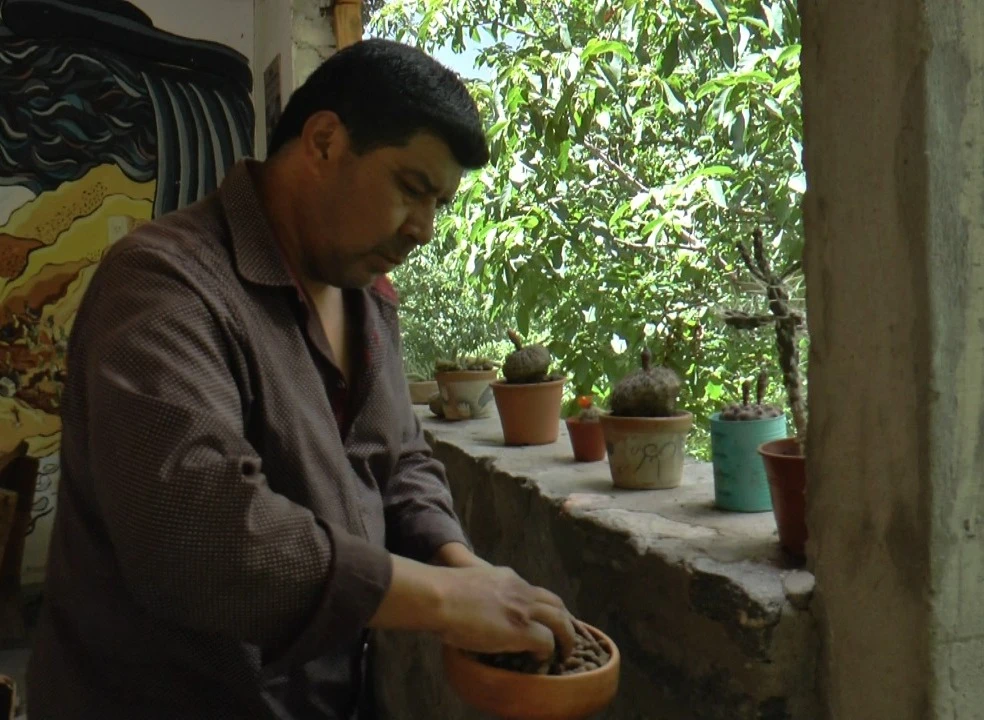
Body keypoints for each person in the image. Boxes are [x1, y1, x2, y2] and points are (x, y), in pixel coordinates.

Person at [27, 38, 575, 719]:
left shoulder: (366, 293)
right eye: (411, 188)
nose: (426, 229)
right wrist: (442, 601)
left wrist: (458, 562)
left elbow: (398, 458)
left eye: (440, 202)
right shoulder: (163, 287)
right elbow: (202, 535)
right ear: (322, 142)